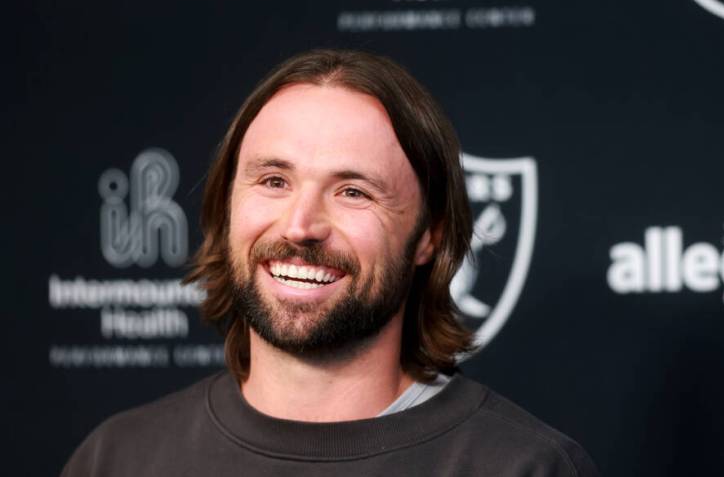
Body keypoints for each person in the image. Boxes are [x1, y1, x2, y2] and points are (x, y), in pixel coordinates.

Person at [62, 49, 599, 476]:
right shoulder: (117, 459)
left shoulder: (524, 467)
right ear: (227, 206)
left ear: (428, 237)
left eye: (353, 192)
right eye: (274, 181)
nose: (300, 226)